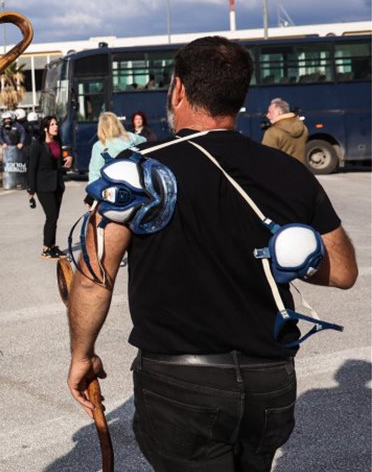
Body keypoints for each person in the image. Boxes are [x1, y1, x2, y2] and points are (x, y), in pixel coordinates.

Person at [66, 36, 358, 472]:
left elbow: (94, 275)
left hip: (180, 384)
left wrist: (81, 355)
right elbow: (343, 271)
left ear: (178, 89)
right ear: (240, 97)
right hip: (269, 381)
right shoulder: (287, 171)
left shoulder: (138, 169)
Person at [27, 116, 72, 259]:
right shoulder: (37, 145)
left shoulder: (57, 142)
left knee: (55, 217)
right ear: (45, 128)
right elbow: (31, 168)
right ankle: (46, 248)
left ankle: (52, 246)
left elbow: (58, 165)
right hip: (43, 186)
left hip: (57, 184)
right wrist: (31, 190)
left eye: (56, 124)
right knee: (51, 216)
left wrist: (69, 161)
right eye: (52, 124)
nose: (56, 126)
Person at [87, 112, 146, 184]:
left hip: (115, 186)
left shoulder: (99, 146)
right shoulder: (131, 137)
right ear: (117, 124)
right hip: (136, 181)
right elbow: (145, 141)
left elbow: (95, 173)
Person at [262, 97, 307, 164]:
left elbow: (267, 158)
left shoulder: (272, 132)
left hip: (281, 173)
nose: (268, 115)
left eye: (270, 112)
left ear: (279, 112)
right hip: (300, 171)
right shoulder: (304, 128)